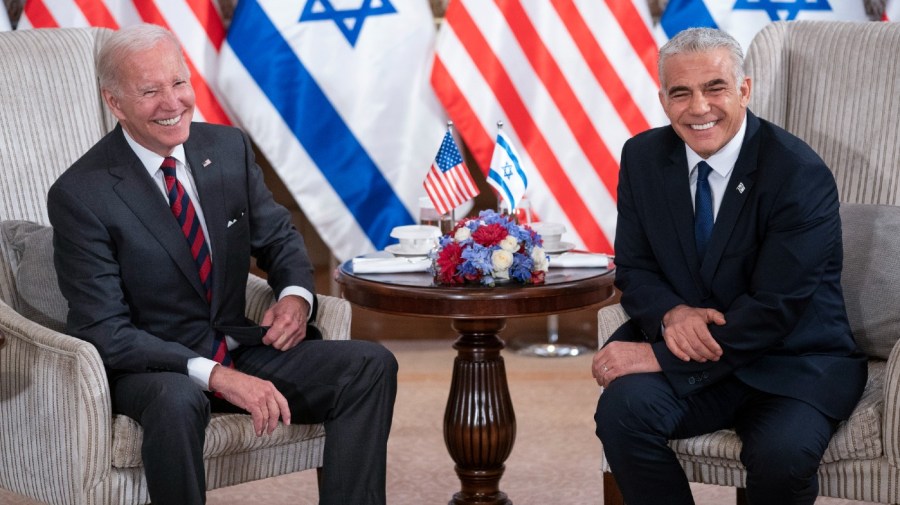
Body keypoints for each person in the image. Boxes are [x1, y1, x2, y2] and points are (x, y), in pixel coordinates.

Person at [47, 24, 397, 505]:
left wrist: (295, 298)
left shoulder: (226, 148)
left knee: (369, 365)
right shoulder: (81, 194)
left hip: (237, 343)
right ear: (115, 103)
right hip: (153, 367)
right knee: (177, 400)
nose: (172, 103)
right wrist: (216, 376)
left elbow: (279, 237)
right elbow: (106, 331)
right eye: (150, 91)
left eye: (179, 83)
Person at [592, 27, 866, 505]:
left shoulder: (798, 174)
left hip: (788, 362)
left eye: (714, 87)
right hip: (698, 366)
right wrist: (672, 315)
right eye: (681, 93)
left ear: (744, 89)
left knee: (782, 455)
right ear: (663, 100)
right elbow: (634, 268)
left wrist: (658, 356)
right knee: (622, 411)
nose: (698, 108)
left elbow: (777, 307)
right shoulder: (641, 157)